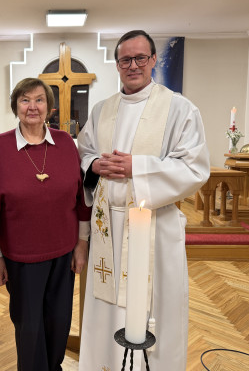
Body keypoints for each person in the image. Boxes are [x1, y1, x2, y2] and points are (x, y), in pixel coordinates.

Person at [77, 30, 210, 370]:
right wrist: (94, 165)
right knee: (106, 309)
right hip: (107, 228)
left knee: (153, 308)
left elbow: (194, 168)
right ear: (117, 64)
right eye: (125, 59)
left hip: (154, 228)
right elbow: (84, 152)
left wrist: (138, 167)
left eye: (140, 58)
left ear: (153, 60)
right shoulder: (102, 110)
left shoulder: (179, 108)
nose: (133, 66)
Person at [0, 78, 91, 371]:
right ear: (15, 106)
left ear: (49, 107)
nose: (32, 106)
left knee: (58, 322)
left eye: (39, 100)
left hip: (63, 253)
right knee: (29, 327)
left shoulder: (66, 144)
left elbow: (81, 199)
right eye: (25, 100)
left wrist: (81, 244)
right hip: (20, 257)